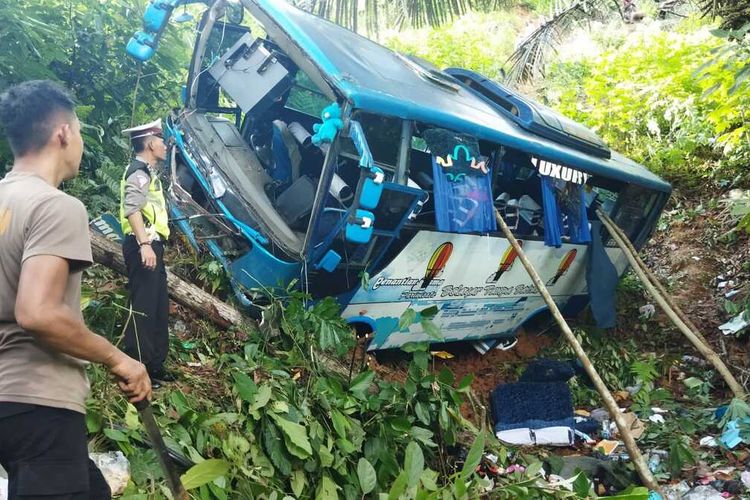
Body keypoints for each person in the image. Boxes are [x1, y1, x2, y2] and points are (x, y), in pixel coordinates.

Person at [0, 80, 152, 499]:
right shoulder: (56, 205)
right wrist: (119, 359)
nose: (81, 142)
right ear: (63, 133)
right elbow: (39, 313)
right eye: (80, 131)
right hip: (39, 403)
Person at [119, 119, 174, 389]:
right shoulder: (138, 172)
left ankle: (154, 366)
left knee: (158, 307)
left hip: (152, 245)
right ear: (151, 143)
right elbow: (132, 208)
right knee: (143, 308)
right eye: (162, 141)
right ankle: (136, 367)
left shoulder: (149, 173)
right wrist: (144, 245)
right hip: (142, 245)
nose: (165, 146)